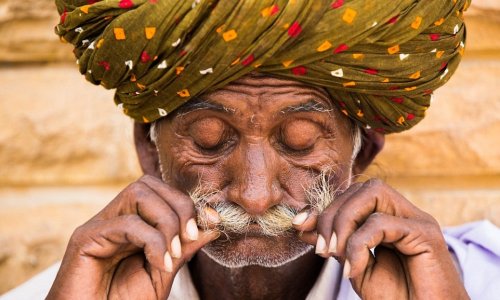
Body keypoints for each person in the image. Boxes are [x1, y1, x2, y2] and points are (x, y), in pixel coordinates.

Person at [5, 0, 500, 299]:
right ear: (149, 148)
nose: (255, 195)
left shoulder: (477, 287)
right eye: (209, 140)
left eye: (302, 142)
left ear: (363, 148)